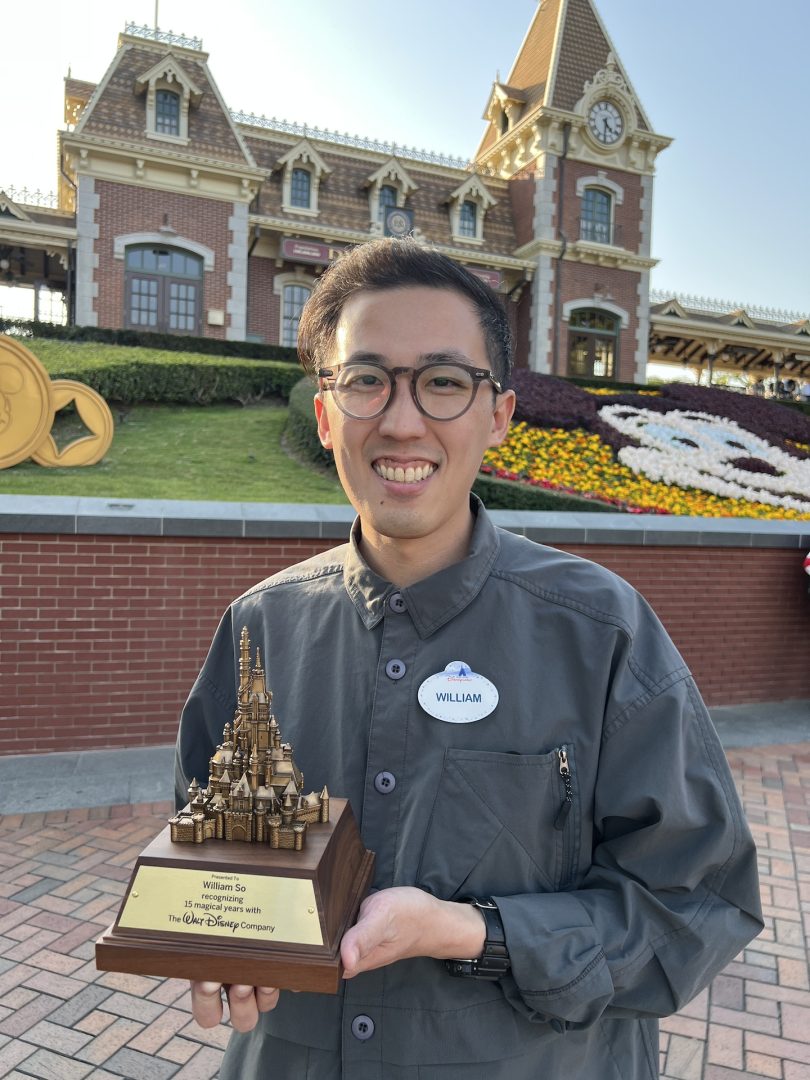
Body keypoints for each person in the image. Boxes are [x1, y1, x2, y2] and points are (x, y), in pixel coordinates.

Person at [175, 239, 762, 1079]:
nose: (402, 420)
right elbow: (207, 845)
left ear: (499, 416)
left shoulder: (600, 633)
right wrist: (214, 935)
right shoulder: (259, 629)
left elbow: (694, 902)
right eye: (366, 379)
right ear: (326, 413)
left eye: (445, 382)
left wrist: (472, 931)